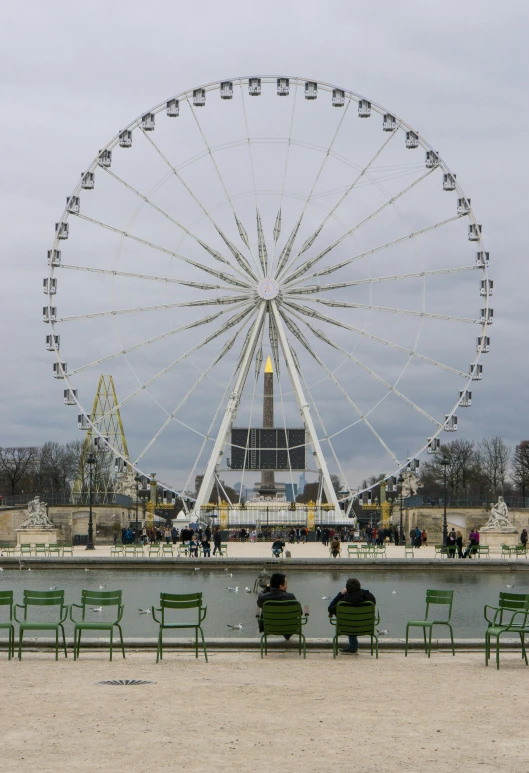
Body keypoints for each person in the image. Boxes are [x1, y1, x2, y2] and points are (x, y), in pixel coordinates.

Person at [328, 578, 376, 655]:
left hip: (347, 624)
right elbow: (373, 601)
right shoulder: (369, 597)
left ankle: (353, 646)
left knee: (335, 605)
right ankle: (353, 647)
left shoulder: (344, 601)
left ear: (347, 589)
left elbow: (330, 608)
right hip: (365, 625)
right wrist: (360, 591)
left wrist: (341, 594)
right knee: (354, 618)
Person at [257, 572, 297, 638]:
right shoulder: (290, 597)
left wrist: (267, 588)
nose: (287, 585)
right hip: (288, 627)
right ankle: (287, 634)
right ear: (281, 586)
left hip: (269, 627)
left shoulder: (263, 598)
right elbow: (300, 612)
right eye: (286, 583)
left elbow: (260, 599)